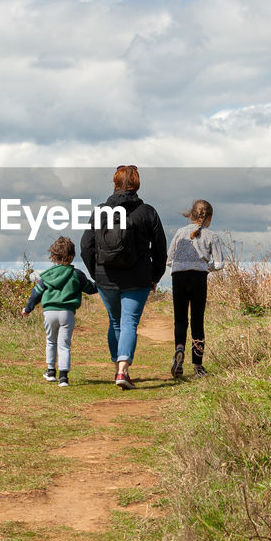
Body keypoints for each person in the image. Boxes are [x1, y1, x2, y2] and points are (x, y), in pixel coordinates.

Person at [79, 165, 167, 390]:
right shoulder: (147, 212)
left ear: (115, 183)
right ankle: (123, 370)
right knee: (129, 322)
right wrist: (155, 276)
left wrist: (96, 272)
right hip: (137, 277)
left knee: (115, 321)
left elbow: (85, 245)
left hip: (105, 276)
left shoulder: (100, 210)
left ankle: (117, 368)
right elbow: (159, 249)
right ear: (137, 184)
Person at [21, 236, 97, 387]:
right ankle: (63, 377)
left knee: (51, 341)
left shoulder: (47, 276)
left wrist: (28, 308)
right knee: (64, 345)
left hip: (49, 313)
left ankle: (50, 372)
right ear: (72, 256)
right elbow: (90, 289)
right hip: (67, 313)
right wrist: (102, 282)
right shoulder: (77, 274)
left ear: (53, 256)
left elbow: (36, 293)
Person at [167, 199, 227, 378]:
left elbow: (169, 260)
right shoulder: (212, 236)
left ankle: (179, 350)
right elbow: (219, 263)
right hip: (198, 277)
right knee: (197, 321)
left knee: (180, 320)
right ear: (209, 218)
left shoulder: (179, 233)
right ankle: (198, 367)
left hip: (178, 276)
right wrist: (207, 268)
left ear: (191, 215)